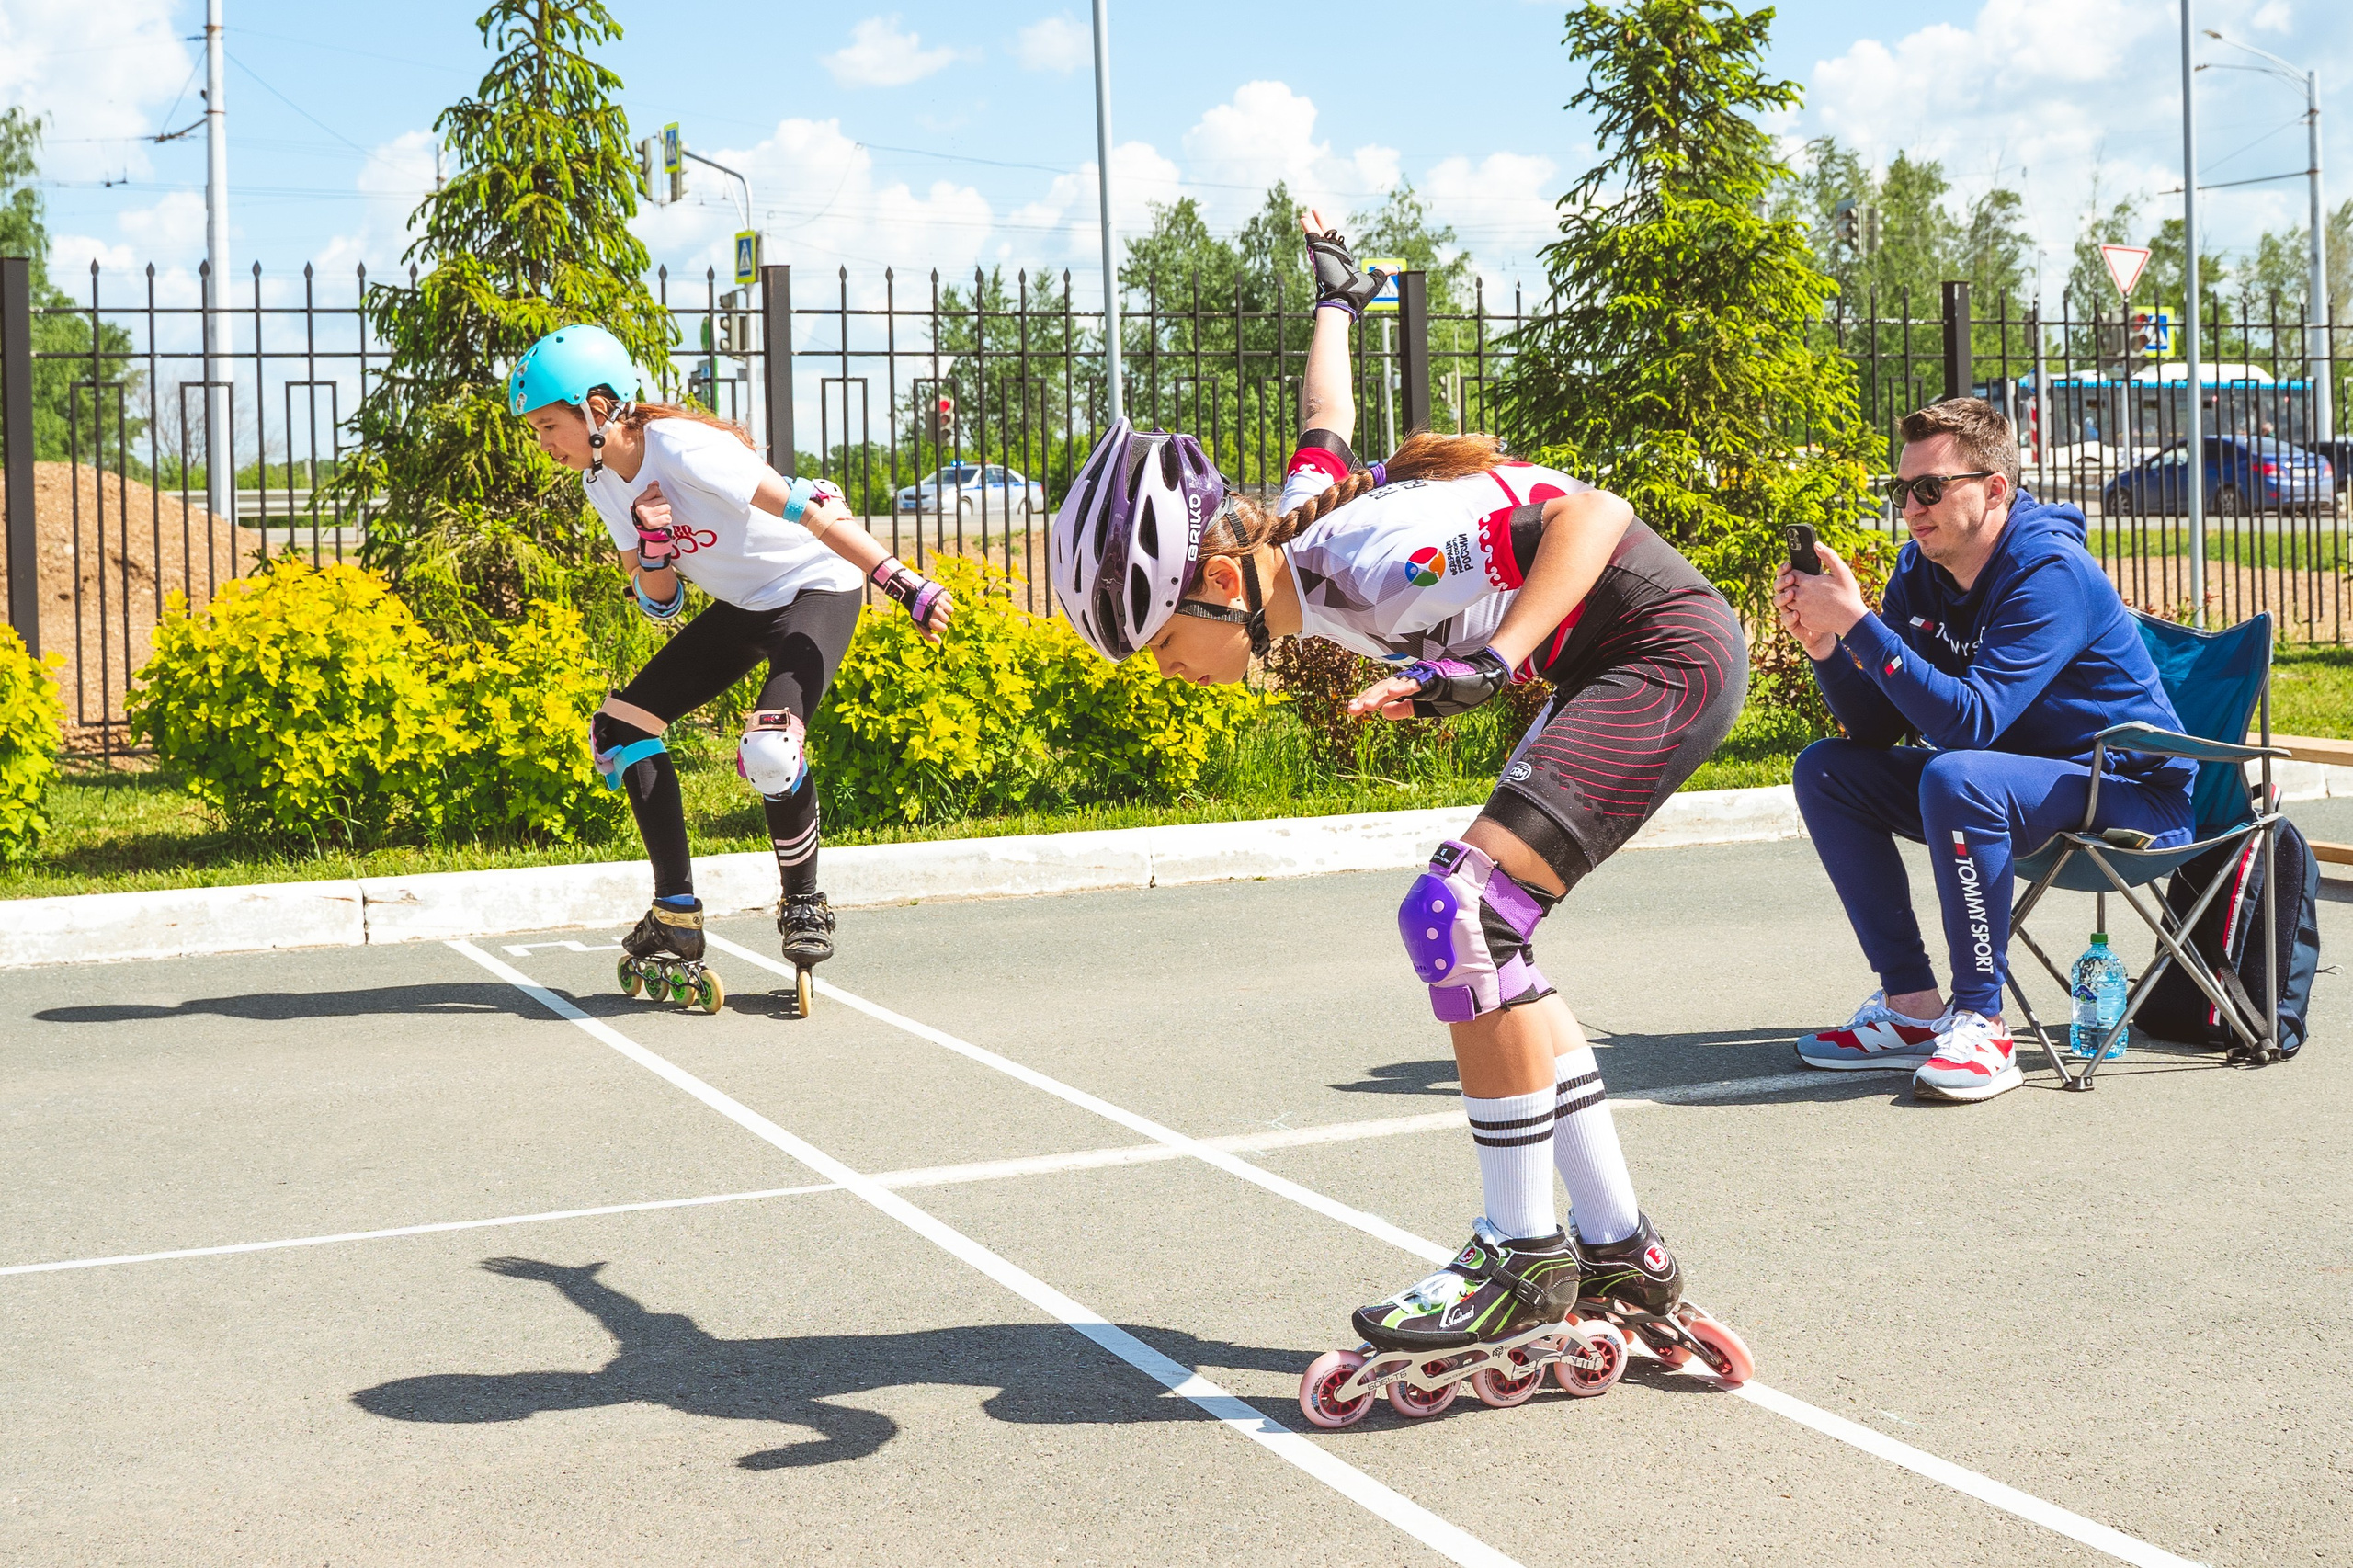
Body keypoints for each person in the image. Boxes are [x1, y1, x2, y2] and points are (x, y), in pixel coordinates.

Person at [1051, 216, 1755, 1417]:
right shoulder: (1300, 533)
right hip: (1607, 667)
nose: (1169, 671)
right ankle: (1617, 1245)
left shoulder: (1368, 563)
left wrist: (1495, 657)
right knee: (1492, 931)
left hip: (1659, 652)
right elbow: (1324, 424)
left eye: (1163, 643)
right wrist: (1340, 298)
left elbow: (1592, 512)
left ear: (1221, 586)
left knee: (1456, 910)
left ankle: (1521, 1256)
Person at [509, 324, 953, 1002]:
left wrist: (899, 579)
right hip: (748, 604)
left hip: (817, 584)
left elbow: (810, 513)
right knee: (620, 729)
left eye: (547, 425)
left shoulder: (684, 449)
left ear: (596, 409)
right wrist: (655, 549)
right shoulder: (602, 482)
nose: (542, 444)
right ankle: (677, 916)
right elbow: (658, 605)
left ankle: (803, 902)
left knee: (772, 744)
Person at [1779, 397, 2195, 1102]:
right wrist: (1826, 644)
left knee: (1958, 773)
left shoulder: (2051, 572)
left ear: (1994, 489)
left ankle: (1982, 1019)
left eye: (1931, 488)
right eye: (1901, 488)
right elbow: (1879, 733)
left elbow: (1969, 725)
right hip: (2014, 787)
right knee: (1827, 771)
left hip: (2128, 794)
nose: (1911, 505)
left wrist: (1857, 621)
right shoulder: (1919, 572)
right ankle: (1911, 1008)